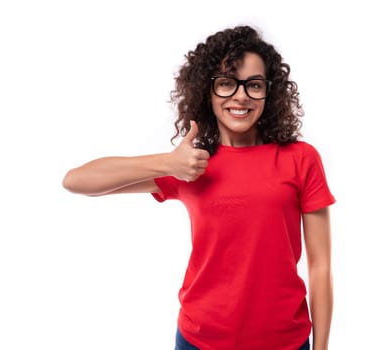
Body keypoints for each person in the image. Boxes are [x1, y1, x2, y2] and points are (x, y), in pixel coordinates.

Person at [63, 25, 335, 350]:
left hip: (284, 343)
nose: (240, 96)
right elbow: (77, 181)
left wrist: (321, 348)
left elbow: (320, 266)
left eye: (254, 85)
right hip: (200, 341)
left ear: (269, 92)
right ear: (208, 92)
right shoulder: (191, 164)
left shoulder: (300, 159)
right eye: (226, 84)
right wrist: (168, 163)